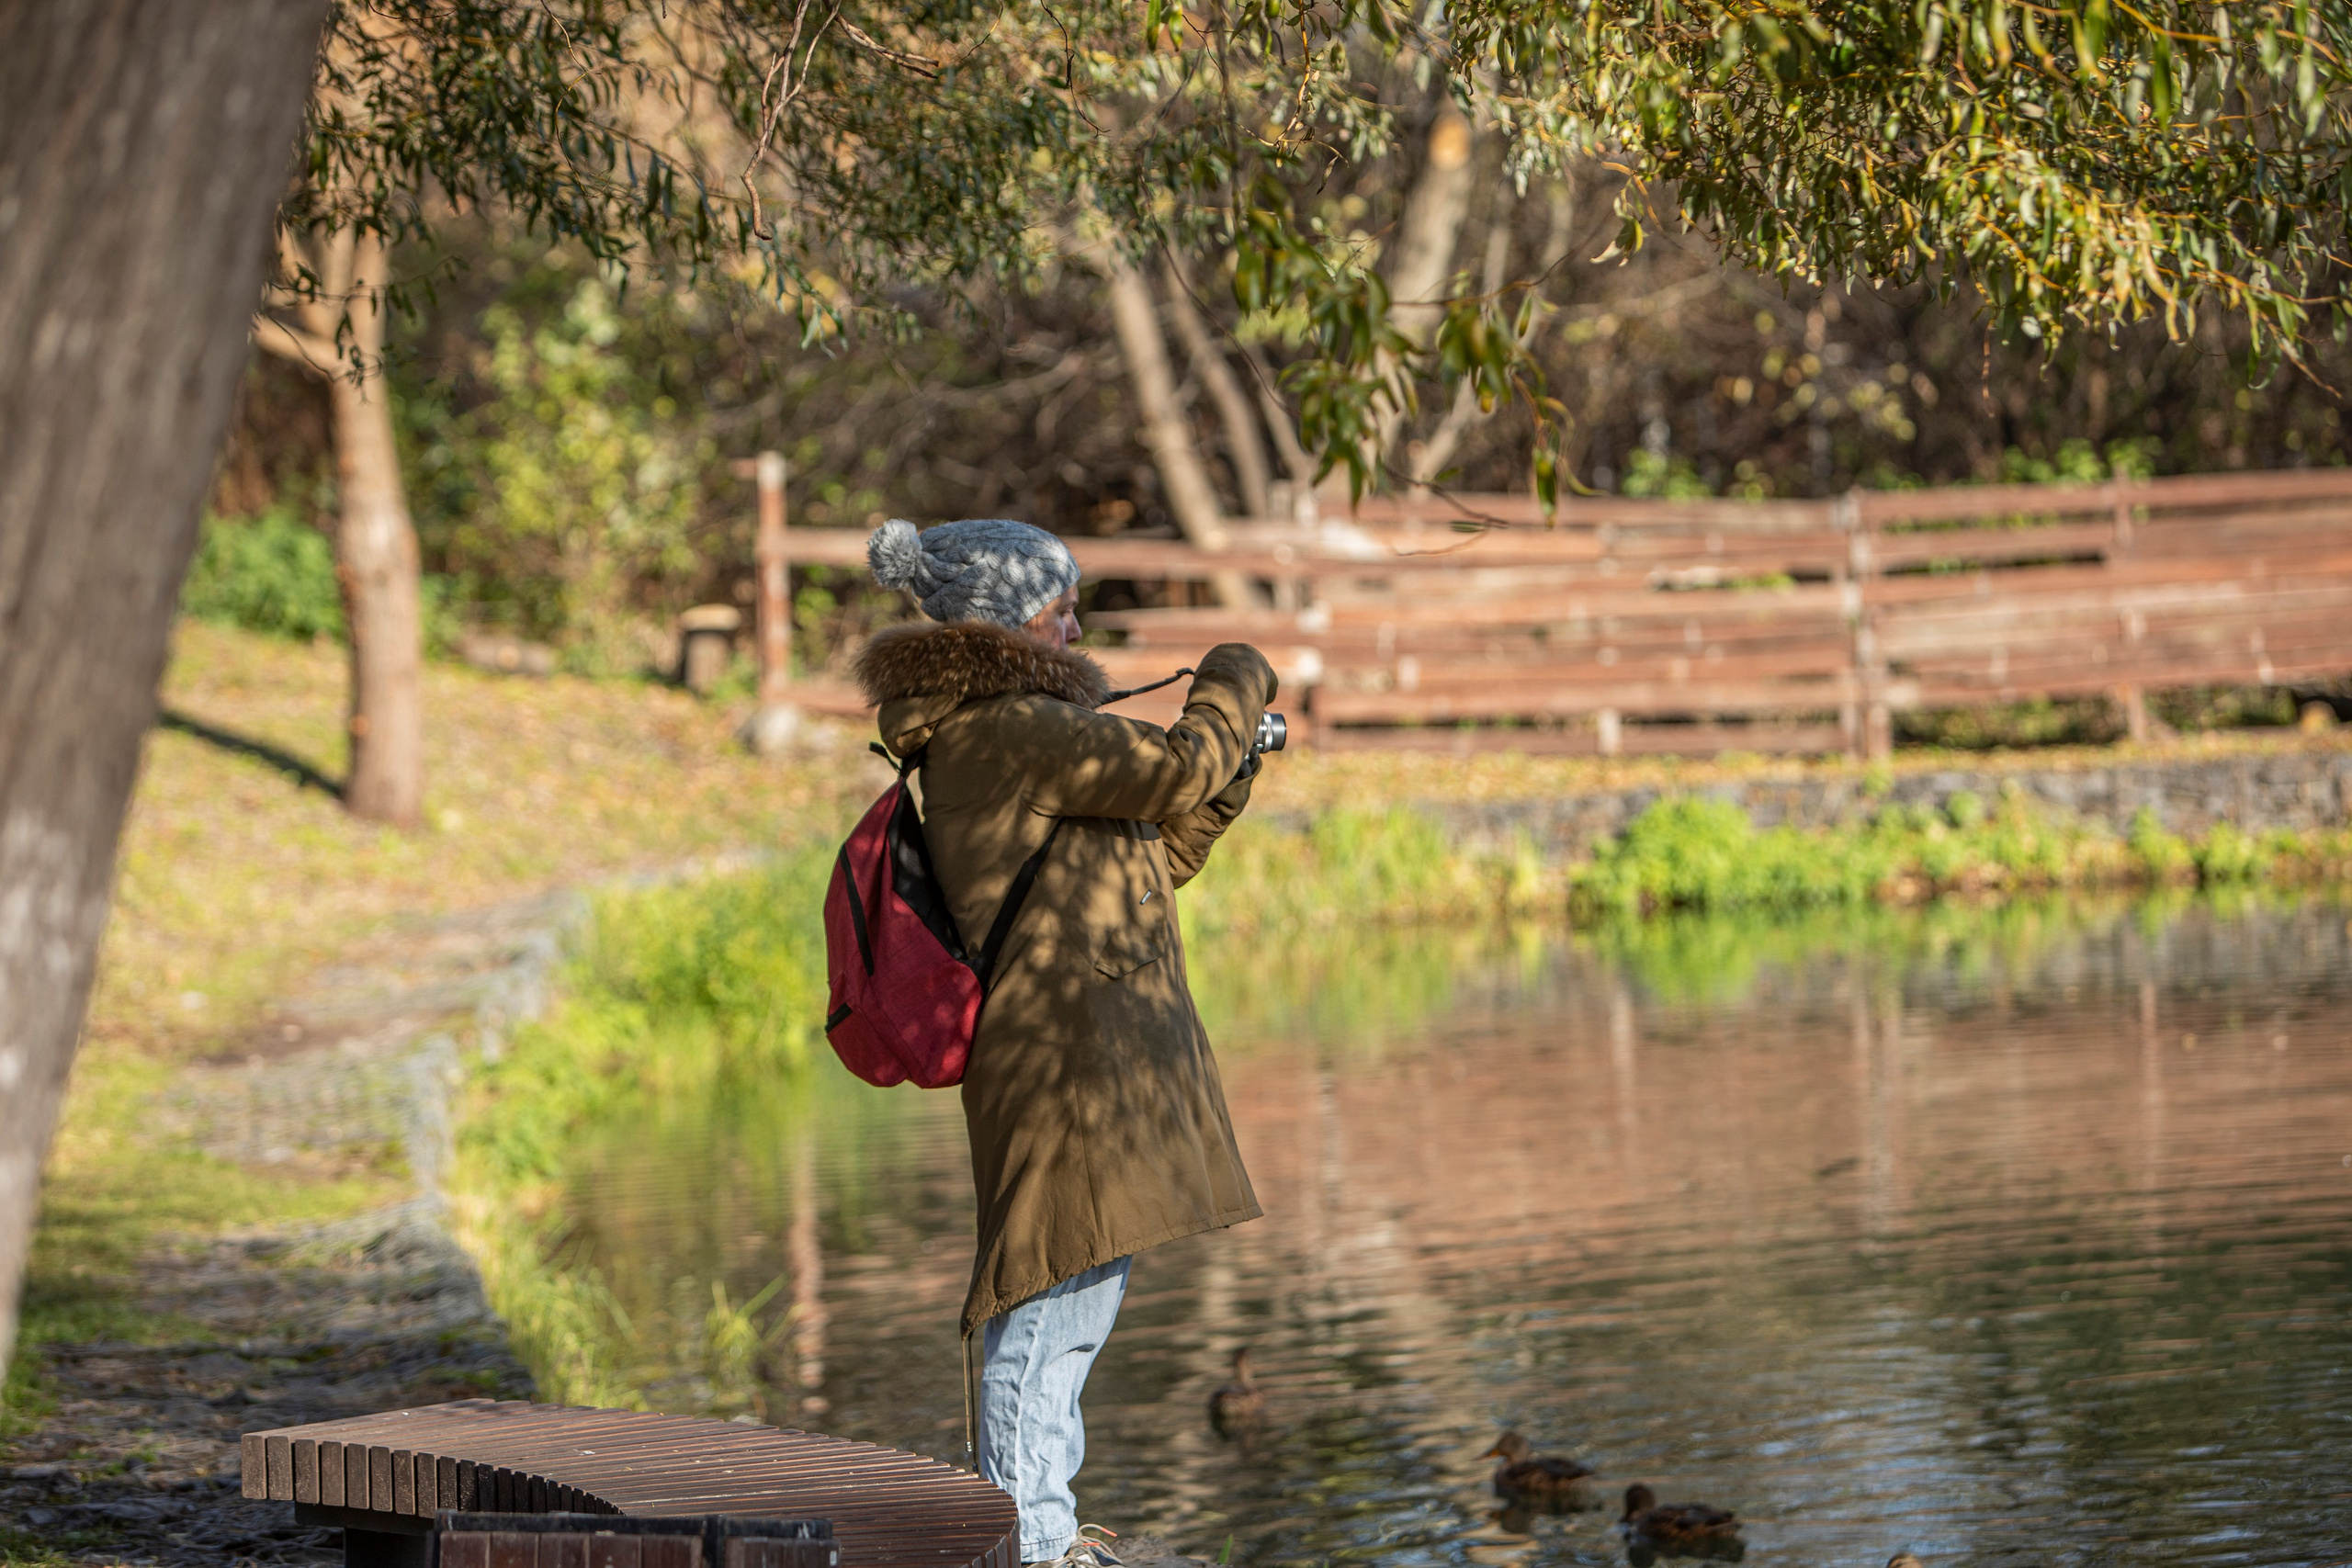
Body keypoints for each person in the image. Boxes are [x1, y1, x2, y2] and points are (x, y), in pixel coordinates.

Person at [857, 516, 1275, 1566]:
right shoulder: (1004, 729)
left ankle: (1041, 1529)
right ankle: (1031, 1544)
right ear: (1008, 624)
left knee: (1071, 1293)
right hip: (1061, 1055)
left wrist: (1236, 769)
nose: (1079, 622)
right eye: (1061, 607)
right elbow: (1174, 771)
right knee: (1048, 1300)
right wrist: (1237, 675)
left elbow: (1155, 853)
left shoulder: (1023, 727)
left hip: (1093, 1048)